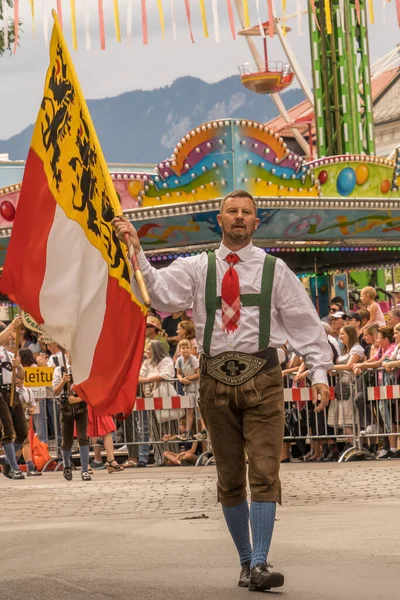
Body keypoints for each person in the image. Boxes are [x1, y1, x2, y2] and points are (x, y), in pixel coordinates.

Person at [113, 189, 332, 592]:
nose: (238, 217)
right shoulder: (198, 267)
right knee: (230, 478)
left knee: (265, 471)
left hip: (263, 377)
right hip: (214, 382)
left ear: (255, 221)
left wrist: (320, 373)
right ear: (220, 218)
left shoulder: (275, 270)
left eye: (246, 212)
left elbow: (305, 325)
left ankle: (262, 561)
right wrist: (136, 250)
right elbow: (160, 293)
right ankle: (247, 563)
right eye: (232, 211)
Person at [53, 353, 91, 481]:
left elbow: (90, 389)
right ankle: (67, 465)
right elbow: (55, 392)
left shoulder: (83, 370)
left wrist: (78, 398)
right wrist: (63, 381)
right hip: (66, 408)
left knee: (82, 437)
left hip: (80, 407)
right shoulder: (59, 370)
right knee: (67, 440)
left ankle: (85, 470)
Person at [0, 317, 27, 480]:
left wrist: (18, 367)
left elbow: (21, 375)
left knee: (23, 431)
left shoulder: (10, 355)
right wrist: (12, 324)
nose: (10, 336)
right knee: (8, 431)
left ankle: (9, 462)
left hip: (11, 391)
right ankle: (15, 468)